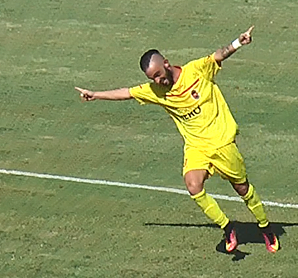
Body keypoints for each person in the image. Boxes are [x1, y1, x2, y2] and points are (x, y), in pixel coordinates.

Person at [74, 27, 279, 254]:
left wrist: (238, 43)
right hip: (196, 148)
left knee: (242, 188)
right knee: (193, 186)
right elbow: (127, 93)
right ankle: (228, 227)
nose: (158, 81)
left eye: (159, 75)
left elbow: (218, 55)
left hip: (222, 143)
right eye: (153, 78)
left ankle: (265, 227)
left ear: (167, 64)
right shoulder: (155, 91)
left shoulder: (196, 71)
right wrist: (95, 94)